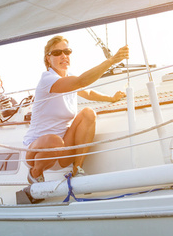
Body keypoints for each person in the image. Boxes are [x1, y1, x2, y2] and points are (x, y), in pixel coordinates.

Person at [23, 35, 128, 183]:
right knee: (54, 141)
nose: (64, 56)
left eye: (67, 51)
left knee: (88, 113)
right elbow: (81, 82)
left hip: (63, 152)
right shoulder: (47, 80)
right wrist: (111, 61)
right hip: (37, 153)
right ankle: (35, 174)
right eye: (57, 53)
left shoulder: (69, 77)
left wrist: (111, 98)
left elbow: (88, 92)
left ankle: (77, 169)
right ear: (48, 58)